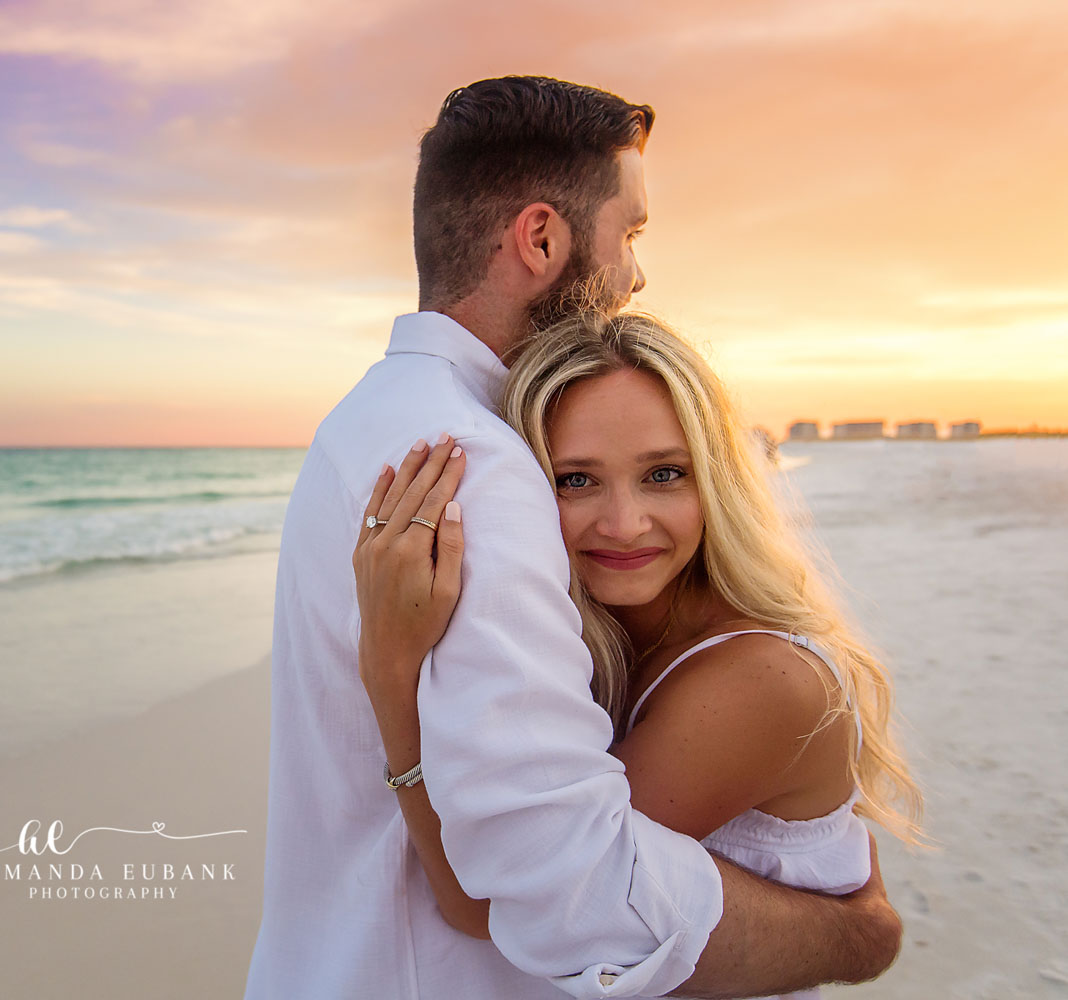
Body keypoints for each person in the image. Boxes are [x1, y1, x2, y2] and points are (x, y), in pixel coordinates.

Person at [243, 76, 903, 1000]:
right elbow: (564, 881)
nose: (638, 274)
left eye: (665, 473)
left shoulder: (363, 420)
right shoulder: (479, 462)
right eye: (629, 232)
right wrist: (848, 937)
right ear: (543, 237)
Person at [351, 310, 925, 1000]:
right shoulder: (602, 642)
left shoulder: (758, 680)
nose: (624, 524)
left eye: (664, 475)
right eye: (575, 481)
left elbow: (489, 907)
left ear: (715, 481)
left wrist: (390, 674)